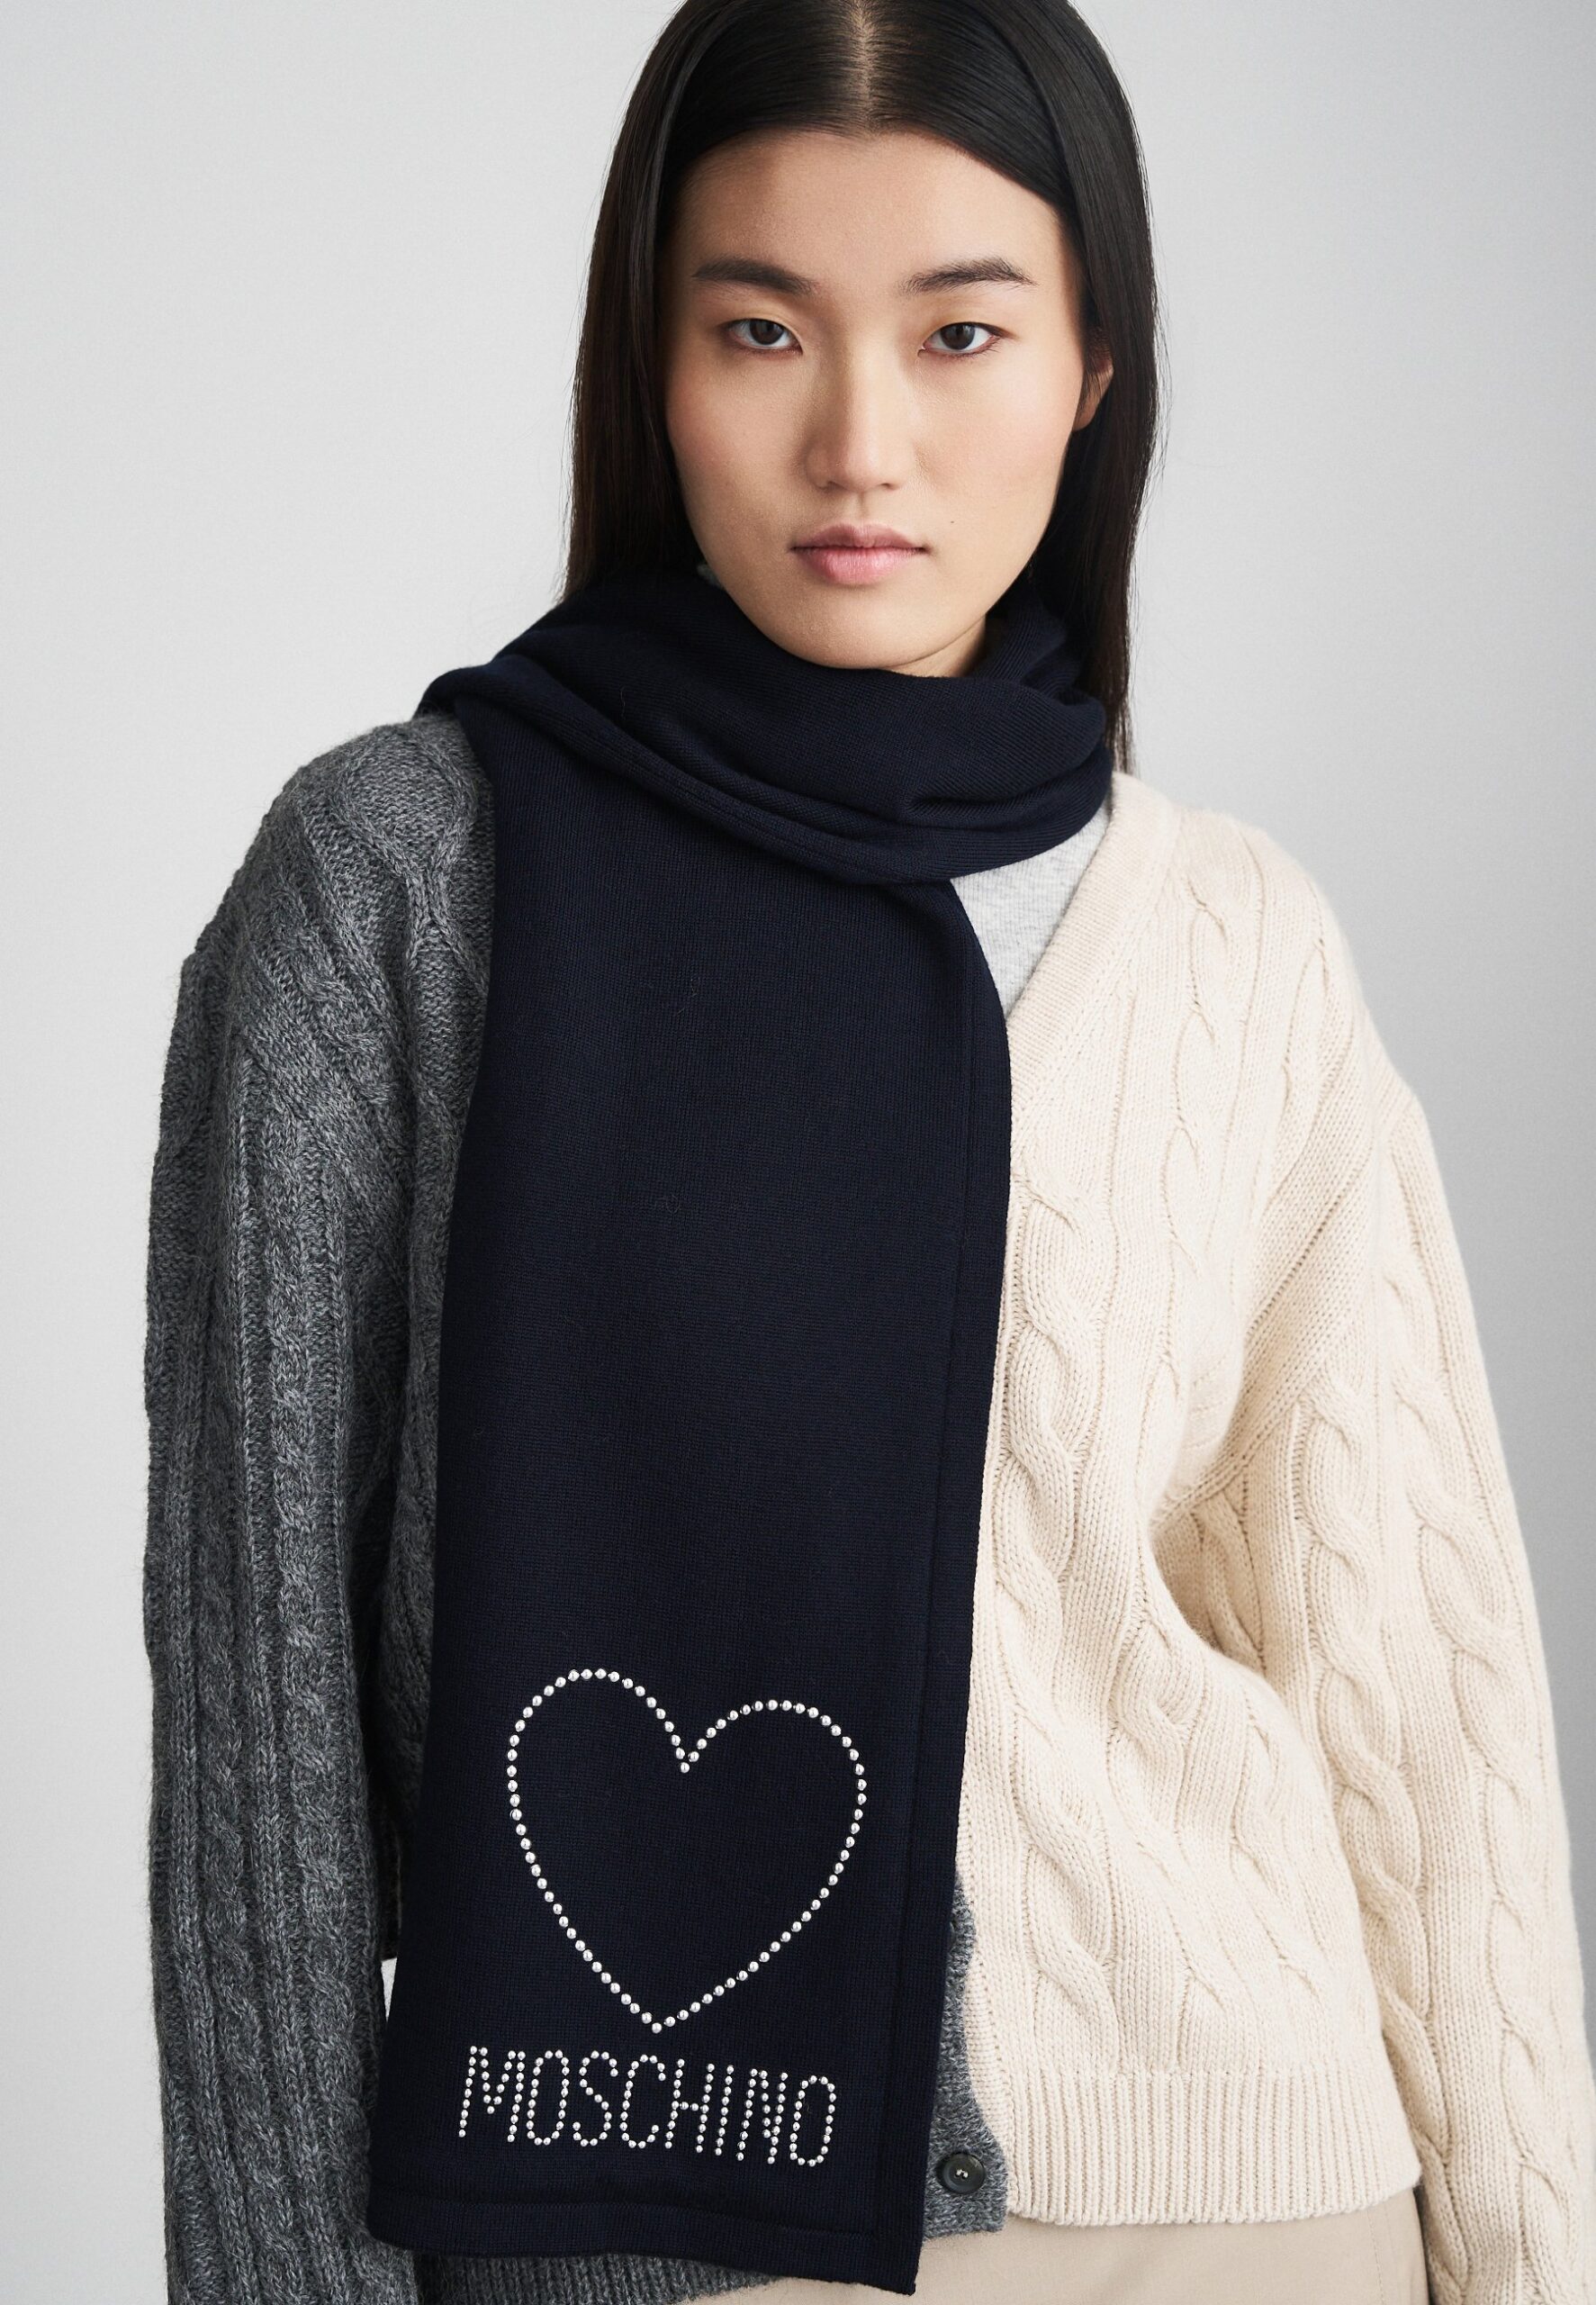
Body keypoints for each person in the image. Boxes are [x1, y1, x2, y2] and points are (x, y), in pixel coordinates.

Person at [140, 4, 1594, 2302]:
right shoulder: (404, 887)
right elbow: (261, 1739)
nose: (858, 442)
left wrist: (1529, 2255)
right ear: (648, 360)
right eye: (759, 328)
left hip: (1273, 2185)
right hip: (665, 2220)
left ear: (1092, 364)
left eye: (958, 331)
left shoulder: (1229, 937)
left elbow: (1423, 1692)